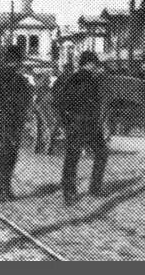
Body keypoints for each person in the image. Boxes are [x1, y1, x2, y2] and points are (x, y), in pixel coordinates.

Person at [53, 51, 111, 204]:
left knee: (72, 157)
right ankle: (94, 188)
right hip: (88, 124)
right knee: (101, 153)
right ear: (89, 64)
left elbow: (61, 103)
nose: (96, 67)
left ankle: (69, 192)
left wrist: (66, 123)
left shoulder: (74, 79)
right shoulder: (89, 80)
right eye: (94, 64)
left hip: (77, 124)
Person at [0, 45, 32, 203]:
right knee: (8, 155)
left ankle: (4, 189)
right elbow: (25, 103)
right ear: (17, 61)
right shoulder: (20, 80)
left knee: (7, 153)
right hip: (13, 122)